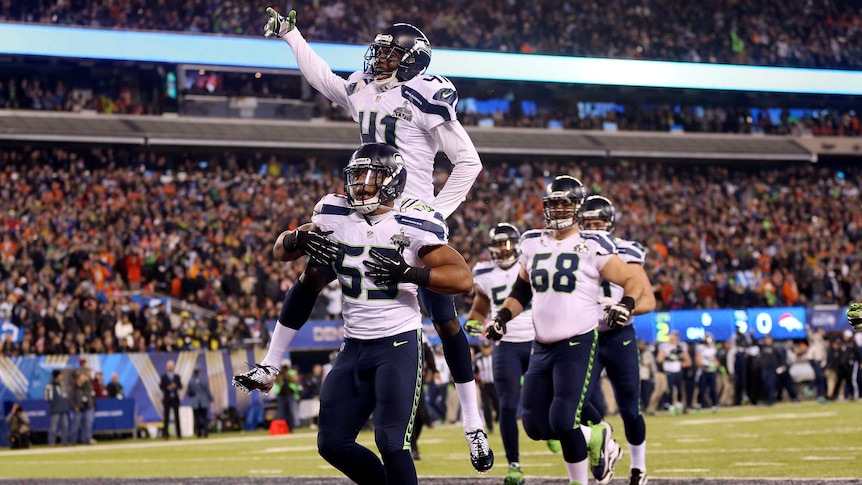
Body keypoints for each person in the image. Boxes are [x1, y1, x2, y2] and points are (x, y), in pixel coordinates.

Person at [250, 8, 492, 473]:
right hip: (366, 203)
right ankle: (271, 362)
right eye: (379, 50)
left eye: (390, 52)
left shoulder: (426, 96)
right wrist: (293, 37)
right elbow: (324, 79)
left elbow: (470, 163)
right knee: (314, 270)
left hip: (411, 219)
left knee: (444, 321)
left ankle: (473, 423)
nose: (379, 58)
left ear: (413, 60)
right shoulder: (362, 88)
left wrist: (435, 209)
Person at [239, 143, 474, 484]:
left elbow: (462, 279)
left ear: (393, 181)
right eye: (357, 176)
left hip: (398, 345)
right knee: (332, 443)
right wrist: (295, 240)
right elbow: (281, 250)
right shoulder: (333, 212)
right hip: (353, 346)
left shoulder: (415, 221)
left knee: (391, 443)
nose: (361, 184)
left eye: (372, 176)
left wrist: (411, 273)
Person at [486, 175, 644, 485]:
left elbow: (633, 281)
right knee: (533, 425)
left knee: (563, 419)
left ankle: (579, 482)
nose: (557, 210)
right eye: (552, 203)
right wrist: (502, 318)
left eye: (564, 203)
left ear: (577, 207)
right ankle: (597, 436)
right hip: (541, 346)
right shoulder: (531, 241)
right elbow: (521, 292)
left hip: (578, 342)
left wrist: (626, 304)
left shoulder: (593, 243)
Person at [577, 195, 656, 485]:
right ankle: (603, 441)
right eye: (588, 223)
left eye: (598, 223)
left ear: (610, 224)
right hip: (585, 334)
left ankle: (638, 467)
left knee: (629, 406)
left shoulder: (626, 250)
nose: (594, 228)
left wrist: (624, 307)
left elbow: (648, 300)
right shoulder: (574, 247)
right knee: (576, 400)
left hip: (619, 335)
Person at [464, 222, 544, 485]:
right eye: (496, 244)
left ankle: (554, 435)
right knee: (507, 405)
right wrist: (474, 320)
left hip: (536, 340)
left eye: (505, 243)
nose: (501, 248)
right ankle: (514, 466)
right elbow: (480, 306)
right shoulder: (484, 272)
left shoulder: (531, 264)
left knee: (544, 402)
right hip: (505, 344)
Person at [657, 331, 692, 414]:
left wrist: (680, 362)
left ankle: (679, 405)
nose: (672, 340)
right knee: (670, 390)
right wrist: (667, 355)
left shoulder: (680, 346)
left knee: (679, 389)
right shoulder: (665, 347)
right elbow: (659, 359)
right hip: (669, 370)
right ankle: (671, 405)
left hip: (678, 370)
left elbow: (688, 361)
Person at [473, 341, 498, 434]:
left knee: (498, 404)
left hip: (495, 384)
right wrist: (478, 380)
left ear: (491, 347)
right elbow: (474, 372)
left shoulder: (495, 356)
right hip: (484, 385)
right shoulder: (478, 358)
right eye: (484, 348)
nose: (486, 350)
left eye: (488, 348)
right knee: (486, 406)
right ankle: (490, 427)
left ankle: (497, 419)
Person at [44, 369, 70, 446]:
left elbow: (65, 395)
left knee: (65, 426)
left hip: (63, 408)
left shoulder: (62, 384)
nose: (62, 376)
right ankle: (52, 442)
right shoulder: (50, 385)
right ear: (57, 376)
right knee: (53, 427)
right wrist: (53, 405)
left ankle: (64, 441)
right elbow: (47, 397)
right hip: (55, 409)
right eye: (60, 375)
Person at [187, 366, 213, 438]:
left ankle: (198, 433)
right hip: (203, 400)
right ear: (200, 372)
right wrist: (210, 398)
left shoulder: (191, 381)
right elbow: (207, 390)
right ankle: (206, 432)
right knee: (204, 418)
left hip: (195, 401)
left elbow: (189, 393)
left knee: (197, 418)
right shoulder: (204, 380)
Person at [160, 359, 183, 439]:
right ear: (167, 367)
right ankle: (165, 434)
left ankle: (179, 434)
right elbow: (161, 387)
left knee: (177, 416)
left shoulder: (177, 377)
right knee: (166, 417)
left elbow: (180, 386)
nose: (170, 368)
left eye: (171, 366)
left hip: (175, 398)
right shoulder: (164, 377)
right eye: (169, 366)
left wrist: (175, 386)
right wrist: (168, 388)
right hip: (167, 399)